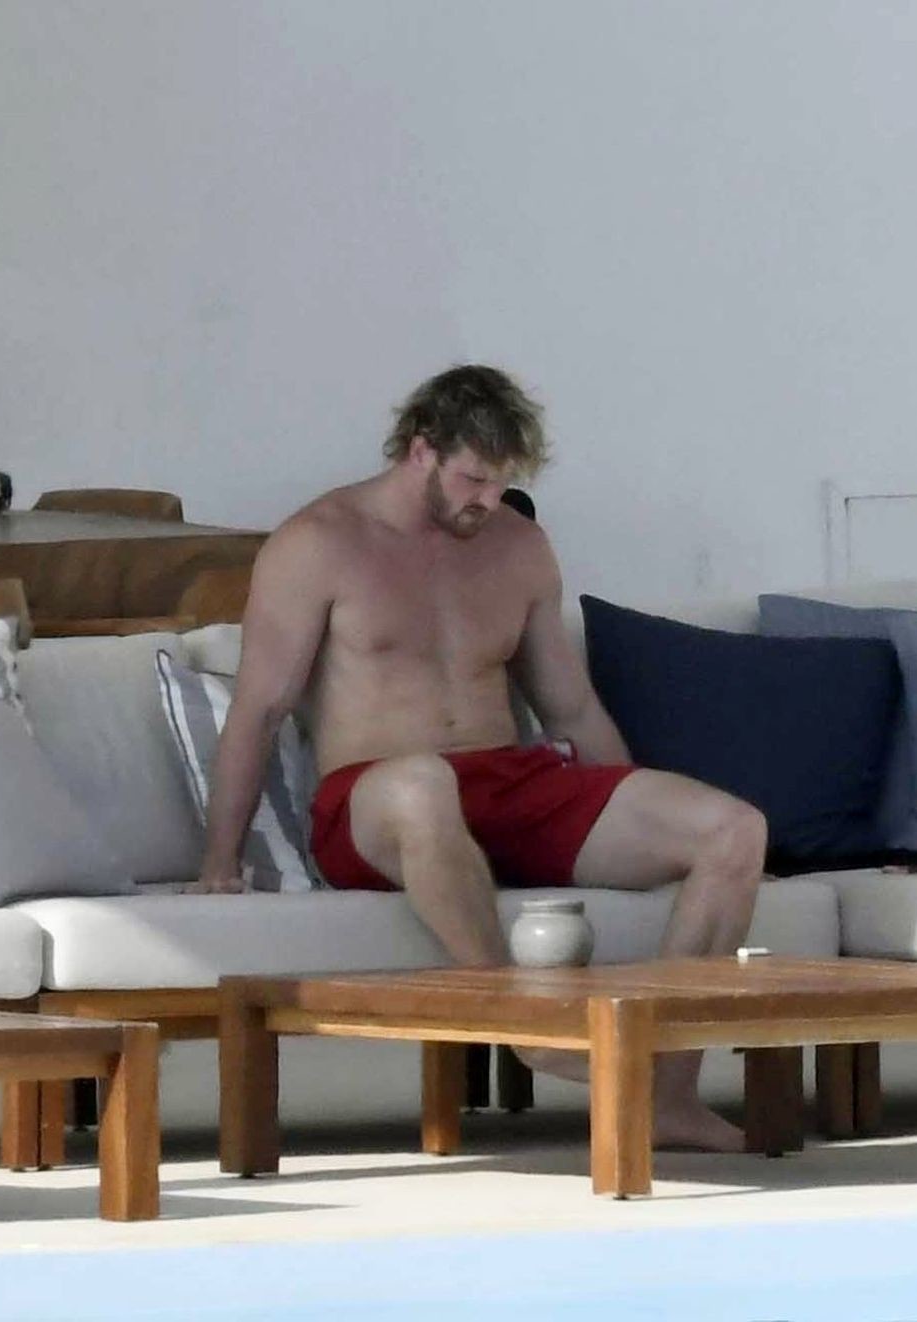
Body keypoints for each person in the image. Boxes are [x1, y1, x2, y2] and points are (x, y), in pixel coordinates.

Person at [191, 363, 765, 1153]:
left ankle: (664, 1093)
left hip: (505, 783)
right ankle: (524, 1024)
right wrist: (219, 861)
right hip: (375, 802)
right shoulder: (319, 543)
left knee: (732, 830)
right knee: (423, 783)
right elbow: (260, 708)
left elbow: (570, 709)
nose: (488, 502)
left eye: (502, 485)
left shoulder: (518, 546)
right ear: (420, 450)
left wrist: (621, 797)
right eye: (474, 480)